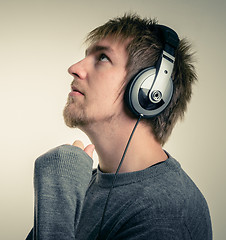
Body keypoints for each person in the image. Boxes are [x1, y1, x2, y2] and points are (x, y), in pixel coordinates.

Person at [26, 13, 212, 240]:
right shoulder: (86, 183)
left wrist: (57, 197)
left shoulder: (164, 215)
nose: (74, 68)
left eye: (103, 58)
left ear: (151, 91)